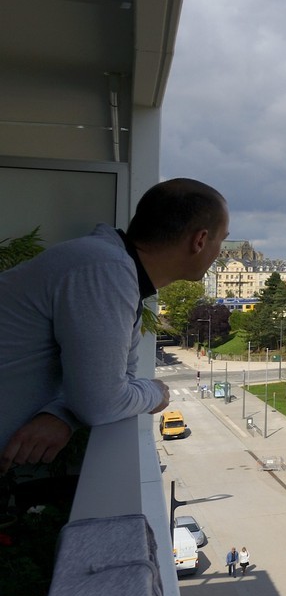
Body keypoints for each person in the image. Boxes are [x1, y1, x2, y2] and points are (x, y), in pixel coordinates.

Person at [0, 178, 228, 472]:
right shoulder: (105, 271)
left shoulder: (114, 268)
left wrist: (62, 414)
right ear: (200, 240)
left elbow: (116, 384)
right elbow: (102, 404)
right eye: (222, 240)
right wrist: (156, 392)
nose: (219, 251)